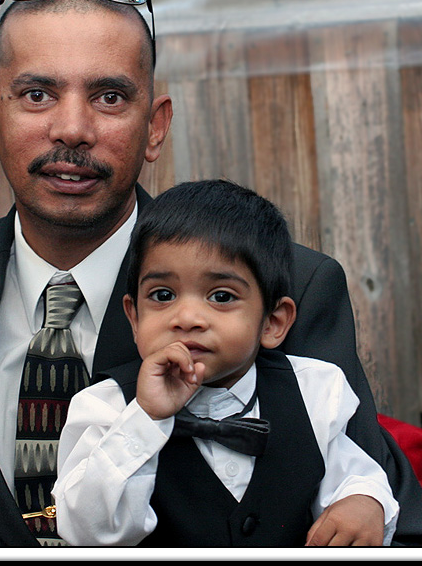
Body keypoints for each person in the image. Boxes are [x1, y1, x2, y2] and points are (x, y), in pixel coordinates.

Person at [0, 0, 422, 547]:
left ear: (154, 128)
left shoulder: (279, 288)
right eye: (37, 94)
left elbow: (381, 510)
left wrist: (366, 504)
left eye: (109, 96)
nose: (72, 128)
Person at [52, 179, 399, 546]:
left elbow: (354, 474)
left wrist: (365, 500)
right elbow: (86, 531)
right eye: (163, 295)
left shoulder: (315, 391)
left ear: (273, 322)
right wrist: (144, 419)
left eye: (220, 296)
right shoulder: (103, 407)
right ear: (134, 318)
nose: (186, 317)